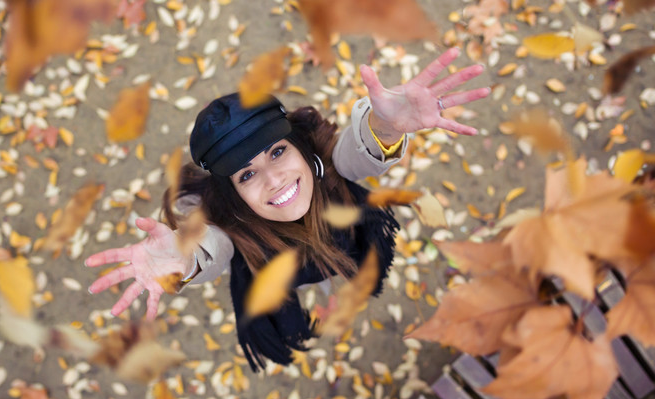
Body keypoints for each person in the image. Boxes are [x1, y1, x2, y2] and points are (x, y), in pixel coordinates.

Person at [85, 48, 490, 371]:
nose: (275, 180)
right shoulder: (225, 222)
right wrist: (184, 258)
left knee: (335, 271)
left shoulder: (325, 160)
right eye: (246, 175)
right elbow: (213, 245)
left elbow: (355, 155)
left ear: (299, 145)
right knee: (303, 282)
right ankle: (323, 286)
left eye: (277, 151)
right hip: (276, 272)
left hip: (340, 242)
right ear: (230, 194)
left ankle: (332, 284)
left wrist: (385, 129)